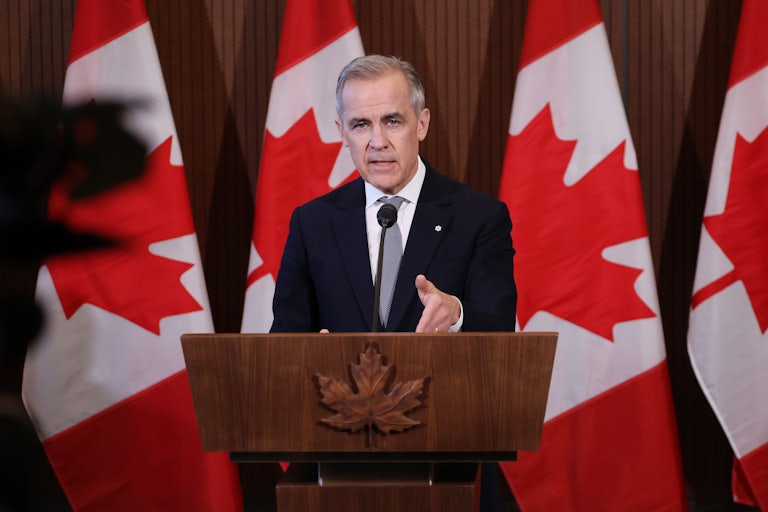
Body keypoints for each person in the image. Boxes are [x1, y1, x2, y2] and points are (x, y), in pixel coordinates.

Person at [270, 54, 516, 334]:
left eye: (392, 122)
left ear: (422, 124)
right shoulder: (312, 224)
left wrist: (457, 314)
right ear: (342, 133)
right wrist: (309, 355)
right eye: (361, 124)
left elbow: (501, 332)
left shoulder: (478, 218)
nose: (378, 142)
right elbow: (284, 343)